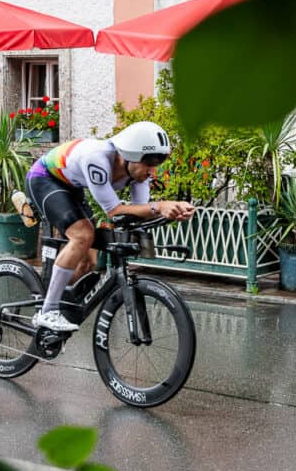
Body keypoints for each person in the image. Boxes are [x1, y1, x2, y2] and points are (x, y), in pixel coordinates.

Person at [22, 120, 195, 332]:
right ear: (129, 156)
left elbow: (138, 213)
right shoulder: (98, 159)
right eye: (149, 164)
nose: (152, 172)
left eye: (156, 166)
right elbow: (114, 211)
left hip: (73, 186)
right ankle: (48, 311)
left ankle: (58, 298)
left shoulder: (138, 173)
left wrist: (173, 212)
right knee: (83, 235)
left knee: (88, 262)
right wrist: (159, 206)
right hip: (44, 178)